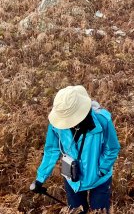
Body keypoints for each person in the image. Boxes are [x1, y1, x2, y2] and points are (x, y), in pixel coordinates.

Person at [30, 85, 120, 213]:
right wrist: (40, 178)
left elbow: (112, 148)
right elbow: (51, 150)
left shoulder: (102, 120)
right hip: (72, 179)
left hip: (100, 179)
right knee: (77, 211)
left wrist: (102, 169)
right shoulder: (57, 125)